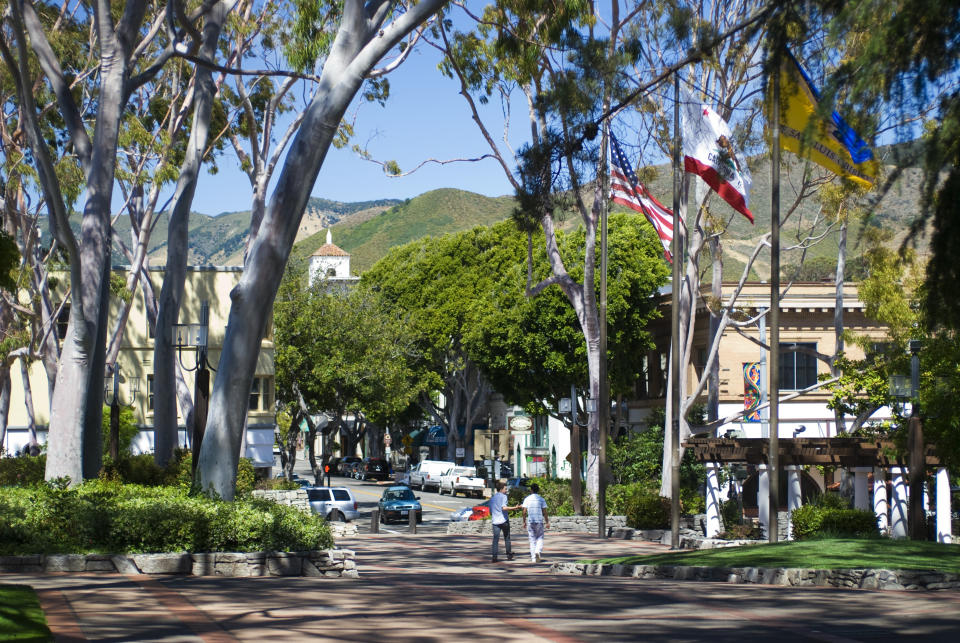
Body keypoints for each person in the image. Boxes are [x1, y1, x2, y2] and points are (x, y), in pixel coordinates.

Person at [489, 480, 517, 563]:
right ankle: (509, 554)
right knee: (507, 538)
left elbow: (490, 511)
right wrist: (514, 508)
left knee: (495, 540)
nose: (506, 490)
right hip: (504, 520)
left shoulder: (493, 498)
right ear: (501, 489)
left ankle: (494, 557)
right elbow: (504, 508)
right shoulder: (504, 497)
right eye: (505, 489)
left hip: (495, 522)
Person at [521, 483, 549, 563]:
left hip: (530, 521)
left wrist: (524, 521)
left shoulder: (527, 499)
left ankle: (533, 558)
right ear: (538, 490)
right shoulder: (541, 499)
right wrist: (547, 522)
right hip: (539, 521)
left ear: (531, 490)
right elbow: (545, 512)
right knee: (540, 537)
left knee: (532, 539)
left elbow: (524, 512)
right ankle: (538, 551)